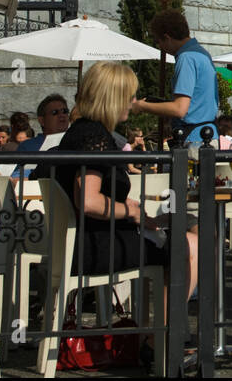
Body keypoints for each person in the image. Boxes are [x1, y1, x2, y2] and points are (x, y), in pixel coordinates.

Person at [37, 62, 198, 349]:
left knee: (183, 238)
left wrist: (129, 210)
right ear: (112, 97)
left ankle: (158, 336)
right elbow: (88, 200)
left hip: (79, 242)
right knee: (187, 245)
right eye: (129, 96)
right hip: (93, 247)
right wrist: (132, 211)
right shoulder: (94, 137)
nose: (133, 103)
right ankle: (159, 341)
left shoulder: (81, 132)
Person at [131, 9, 218, 151]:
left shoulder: (186, 58)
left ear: (167, 37)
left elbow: (179, 109)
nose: (160, 46)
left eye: (158, 41)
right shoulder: (201, 53)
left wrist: (141, 106)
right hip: (207, 136)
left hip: (193, 140)